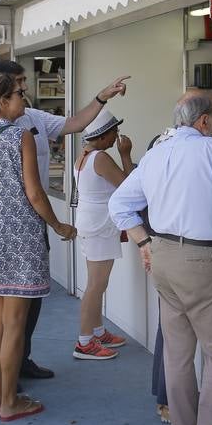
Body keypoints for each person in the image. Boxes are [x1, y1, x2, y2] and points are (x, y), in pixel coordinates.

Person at [109, 91, 212, 425]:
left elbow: (120, 204)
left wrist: (144, 242)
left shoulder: (156, 153)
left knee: (177, 353)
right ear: (203, 121)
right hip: (204, 261)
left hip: (163, 257)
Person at [0, 60, 131, 383]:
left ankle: (15, 369)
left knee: (21, 309)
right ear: (1, 91)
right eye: (19, 85)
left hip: (26, 224)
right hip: (10, 226)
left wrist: (102, 97)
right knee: (6, 317)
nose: (25, 90)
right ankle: (5, 385)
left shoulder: (32, 119)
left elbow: (74, 123)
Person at [0, 73, 76, 421]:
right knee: (15, 324)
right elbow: (34, 192)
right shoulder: (20, 136)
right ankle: (9, 401)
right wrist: (58, 225)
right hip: (20, 238)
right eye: (19, 95)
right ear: (3, 101)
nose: (23, 100)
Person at [70, 109, 134, 361]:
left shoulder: (84, 156)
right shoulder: (101, 158)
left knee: (97, 283)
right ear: (104, 135)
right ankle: (85, 342)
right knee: (96, 286)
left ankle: (97, 331)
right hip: (100, 226)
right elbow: (128, 186)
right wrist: (126, 155)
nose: (117, 136)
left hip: (92, 224)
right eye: (114, 132)